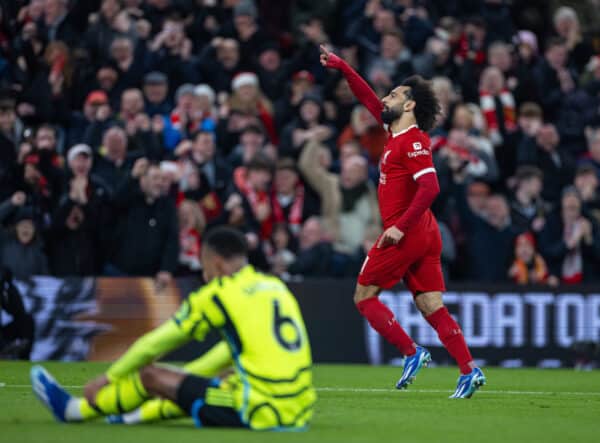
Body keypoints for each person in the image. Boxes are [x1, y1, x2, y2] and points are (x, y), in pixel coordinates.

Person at [320, 45, 485, 398]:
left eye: (394, 94)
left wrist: (398, 227)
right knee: (430, 305)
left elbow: (431, 186)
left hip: (406, 232)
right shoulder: (394, 133)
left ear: (409, 105)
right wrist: (342, 66)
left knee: (364, 296)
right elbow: (366, 96)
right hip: (423, 231)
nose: (385, 98)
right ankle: (469, 370)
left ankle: (412, 353)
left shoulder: (412, 142)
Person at [31, 227, 316, 430]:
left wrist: (108, 377)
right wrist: (185, 377)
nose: (203, 276)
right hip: (299, 408)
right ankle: (130, 417)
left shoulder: (218, 294)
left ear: (216, 263)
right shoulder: (274, 286)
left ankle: (75, 411)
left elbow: (155, 344)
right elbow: (225, 353)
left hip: (260, 411)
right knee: (219, 380)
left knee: (151, 376)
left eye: (204, 267)